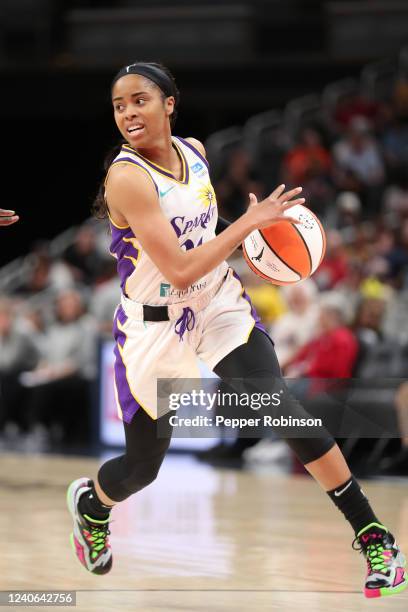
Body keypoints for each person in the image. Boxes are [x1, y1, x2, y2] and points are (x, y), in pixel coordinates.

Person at [66, 61, 407, 598]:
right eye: (119, 105)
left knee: (278, 405)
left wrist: (259, 236)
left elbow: (204, 230)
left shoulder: (195, 152)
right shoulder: (127, 177)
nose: (129, 112)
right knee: (141, 470)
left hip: (215, 302)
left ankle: (374, 537)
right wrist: (249, 225)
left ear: (169, 104)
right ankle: (93, 505)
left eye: (140, 100)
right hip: (156, 327)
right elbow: (177, 268)